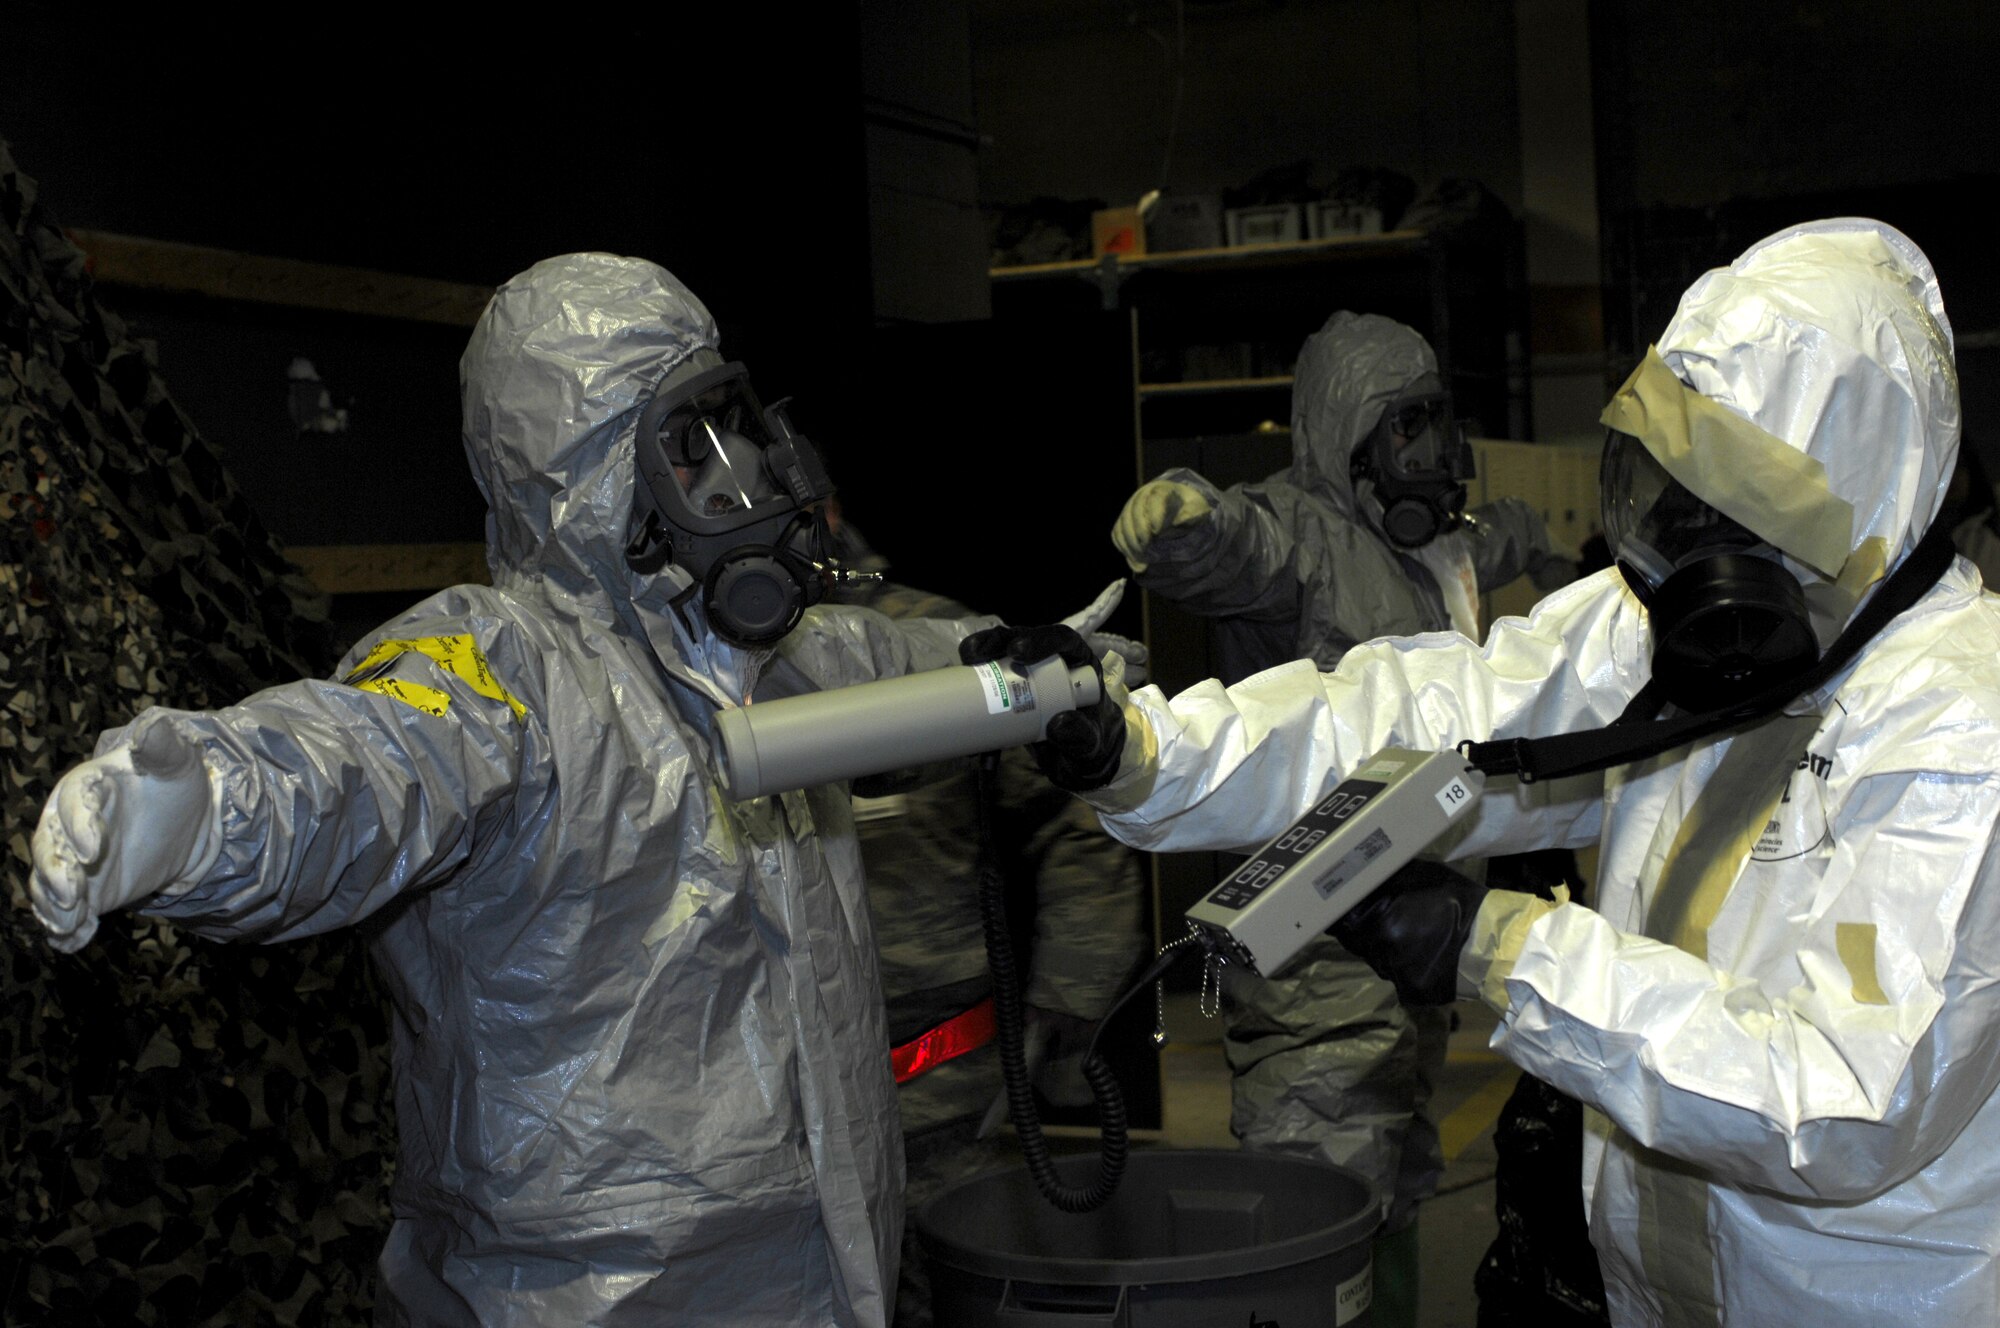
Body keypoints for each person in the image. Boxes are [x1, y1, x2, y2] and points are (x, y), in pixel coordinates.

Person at [25, 253, 1120, 1327]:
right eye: (692, 439)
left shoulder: (767, 659)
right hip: (589, 1290)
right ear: (593, 471)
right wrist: (198, 808)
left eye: (731, 423)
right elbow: (362, 759)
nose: (745, 463)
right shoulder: (505, 669)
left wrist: (1055, 674)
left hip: (822, 1261)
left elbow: (923, 666)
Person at [971, 219, 2000, 1326]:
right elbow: (1427, 707)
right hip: (1664, 1288)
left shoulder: (1958, 725)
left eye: (1735, 504)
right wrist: (1146, 749)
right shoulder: (1705, 628)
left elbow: (1841, 1105)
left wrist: (1500, 946)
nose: (1687, 547)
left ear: (1857, 505)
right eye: (1672, 490)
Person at [1109, 309, 1576, 1325]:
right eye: (1406, 426)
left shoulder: (1433, 550)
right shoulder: (1300, 533)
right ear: (1345, 432)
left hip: (1416, 936)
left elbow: (1505, 533)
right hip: (1313, 959)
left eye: (1437, 421)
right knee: (1319, 1198)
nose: (1433, 452)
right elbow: (1229, 549)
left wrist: (1556, 553)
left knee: (1398, 1176)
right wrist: (1182, 520)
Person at [827, 519, 1149, 1328]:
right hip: (772, 1099)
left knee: (954, 1288)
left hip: (937, 1080)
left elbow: (1074, 807)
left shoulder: (933, 643)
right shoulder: (690, 662)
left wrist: (1072, 991)